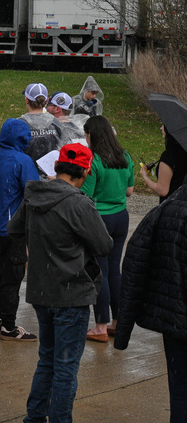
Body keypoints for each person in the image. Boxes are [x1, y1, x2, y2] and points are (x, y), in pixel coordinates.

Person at [7, 143, 113, 423]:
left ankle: (34, 419)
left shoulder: (34, 195)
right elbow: (104, 245)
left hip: (41, 291)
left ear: (57, 166)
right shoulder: (79, 203)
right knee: (65, 368)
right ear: (86, 171)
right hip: (72, 294)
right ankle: (60, 422)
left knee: (47, 361)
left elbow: (13, 229)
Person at [115, 183, 187, 423]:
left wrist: (123, 329)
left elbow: (135, 262)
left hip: (175, 320)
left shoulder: (167, 210)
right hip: (176, 319)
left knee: (180, 394)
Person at [0, 119, 40, 341]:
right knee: (12, 276)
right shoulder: (22, 160)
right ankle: (9, 325)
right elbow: (33, 192)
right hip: (12, 230)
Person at [80, 115, 134, 343]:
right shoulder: (126, 156)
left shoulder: (94, 160)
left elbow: (86, 195)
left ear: (92, 134)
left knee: (99, 272)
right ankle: (117, 321)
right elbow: (130, 191)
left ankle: (100, 326)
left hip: (100, 218)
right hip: (121, 217)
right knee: (114, 270)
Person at [21, 83, 64, 176]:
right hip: (51, 178)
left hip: (26, 178)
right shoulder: (56, 123)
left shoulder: (19, 124)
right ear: (47, 100)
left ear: (26, 99)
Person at [140, 124, 187, 203]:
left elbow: (162, 190)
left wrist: (145, 177)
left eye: (164, 126)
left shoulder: (169, 155)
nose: (161, 128)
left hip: (171, 207)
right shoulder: (184, 151)